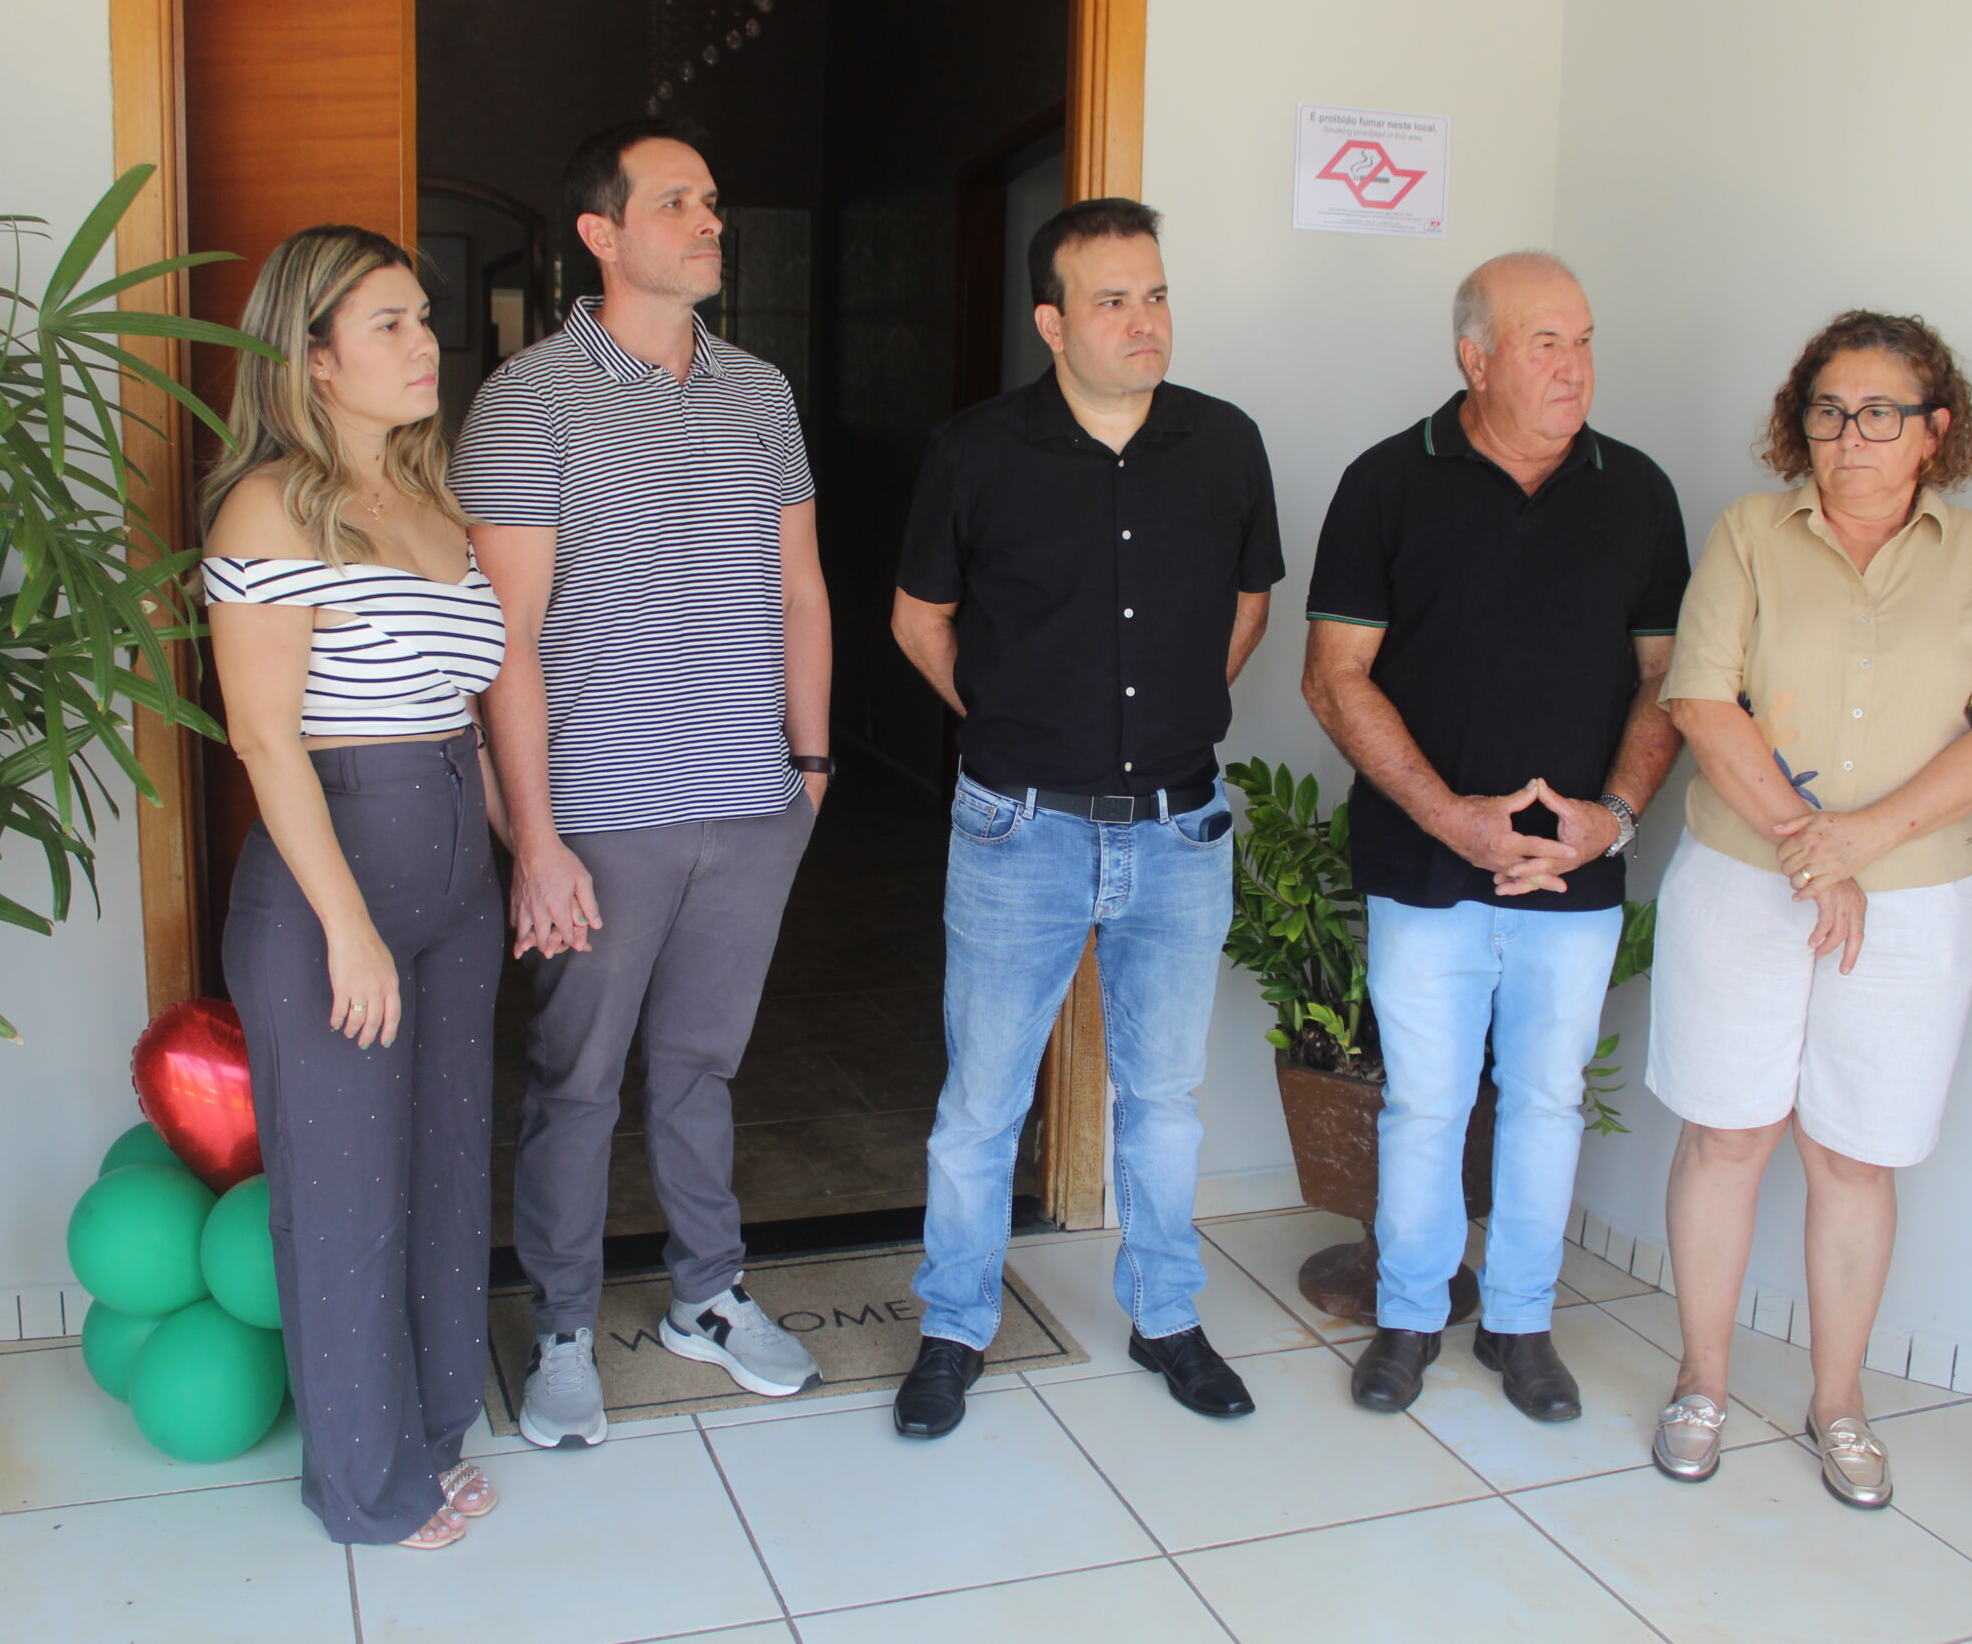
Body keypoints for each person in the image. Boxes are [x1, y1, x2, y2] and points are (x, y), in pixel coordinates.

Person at [453, 121, 832, 1449]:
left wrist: (810, 767)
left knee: (700, 1069)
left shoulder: (761, 392)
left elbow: (801, 589)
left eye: (712, 199)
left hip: (750, 801)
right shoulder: (529, 398)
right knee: (576, 1079)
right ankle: (563, 1325)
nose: (709, 219)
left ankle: (707, 1295)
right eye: (676, 202)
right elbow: (501, 638)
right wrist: (532, 837)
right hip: (598, 817)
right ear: (601, 234)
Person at [887, 197, 1283, 1438]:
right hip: (1020, 829)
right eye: (1112, 300)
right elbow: (917, 619)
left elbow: (1249, 603)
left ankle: (1167, 1317)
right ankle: (954, 1327)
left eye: (1155, 295)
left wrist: (1170, 711)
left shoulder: (1224, 442)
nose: (1144, 320)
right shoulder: (974, 451)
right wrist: (1012, 718)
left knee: (1163, 1099)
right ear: (1052, 323)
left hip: (1179, 829)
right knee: (982, 1103)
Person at [1649, 311, 1972, 1506]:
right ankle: (1701, 1383)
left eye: (1880, 414)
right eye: (1827, 411)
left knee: (1852, 1154)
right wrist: (1810, 851)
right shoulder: (1749, 532)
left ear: (1934, 431)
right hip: (1746, 876)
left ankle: (1839, 1404)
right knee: (1727, 1135)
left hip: (1916, 898)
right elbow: (1701, 701)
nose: (1849, 436)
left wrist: (1862, 843)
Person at [1302, 251, 1687, 1426]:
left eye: (1583, 341)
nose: (1574, 368)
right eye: (1543, 344)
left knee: (1546, 1100)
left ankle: (1519, 1323)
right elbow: (1333, 677)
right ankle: (1410, 1314)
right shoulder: (1386, 481)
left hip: (1574, 867)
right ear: (1474, 358)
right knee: (1424, 1103)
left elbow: (1668, 680)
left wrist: (1608, 821)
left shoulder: (1636, 489)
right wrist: (1452, 819)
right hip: (1426, 861)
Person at [203, 226, 510, 1550]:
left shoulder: (432, 499)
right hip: (336, 884)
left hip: (455, 876)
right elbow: (265, 738)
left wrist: (525, 853)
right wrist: (348, 927)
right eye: (389, 323)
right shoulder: (270, 505)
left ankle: (431, 1433)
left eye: (423, 317)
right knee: (347, 1197)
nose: (425, 342)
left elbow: (464, 708)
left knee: (444, 1170)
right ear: (313, 357)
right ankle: (365, 1489)